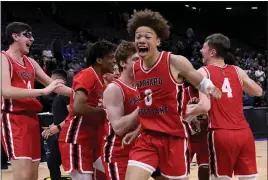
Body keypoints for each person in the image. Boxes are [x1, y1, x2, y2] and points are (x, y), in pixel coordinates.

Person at [125, 9, 221, 180]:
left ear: (158, 41)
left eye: (147, 37)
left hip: (174, 137)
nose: (141, 40)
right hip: (147, 137)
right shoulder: (136, 67)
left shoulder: (174, 62)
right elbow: (146, 104)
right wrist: (138, 129)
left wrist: (211, 88)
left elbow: (200, 81)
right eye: (138, 37)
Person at [186, 33, 263, 180]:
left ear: (212, 52)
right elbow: (258, 91)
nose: (201, 50)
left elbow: (204, 107)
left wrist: (186, 112)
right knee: (249, 178)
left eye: (204, 47)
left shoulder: (203, 71)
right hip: (244, 133)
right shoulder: (237, 71)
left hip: (221, 133)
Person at [1, 22, 72, 180]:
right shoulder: (3, 59)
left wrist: (83, 94)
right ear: (15, 36)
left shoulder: (31, 63)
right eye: (28, 35)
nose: (32, 39)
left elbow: (55, 87)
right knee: (23, 176)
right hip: (13, 119)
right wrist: (42, 91)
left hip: (32, 120)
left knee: (33, 175)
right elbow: (5, 91)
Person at [57, 40, 117, 180]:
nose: (114, 60)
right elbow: (77, 108)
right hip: (77, 139)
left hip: (91, 140)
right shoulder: (88, 75)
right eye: (111, 57)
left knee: (111, 172)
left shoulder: (100, 79)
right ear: (99, 60)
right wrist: (103, 112)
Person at [102, 40, 140, 180]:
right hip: (119, 152)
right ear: (123, 63)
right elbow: (118, 127)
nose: (141, 62)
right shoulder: (114, 88)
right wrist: (143, 107)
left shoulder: (141, 85)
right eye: (136, 59)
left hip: (140, 149)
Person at [180, 62, 209, 180]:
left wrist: (202, 114)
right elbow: (179, 114)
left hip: (204, 138)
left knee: (205, 170)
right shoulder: (182, 92)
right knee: (182, 173)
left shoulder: (208, 92)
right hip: (188, 139)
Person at [42, 69, 70, 180]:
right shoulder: (57, 97)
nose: (49, 83)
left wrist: (58, 127)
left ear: (61, 82)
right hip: (60, 135)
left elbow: (73, 115)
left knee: (54, 163)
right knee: (52, 163)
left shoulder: (65, 95)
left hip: (68, 136)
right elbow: (61, 116)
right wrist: (51, 126)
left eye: (52, 80)